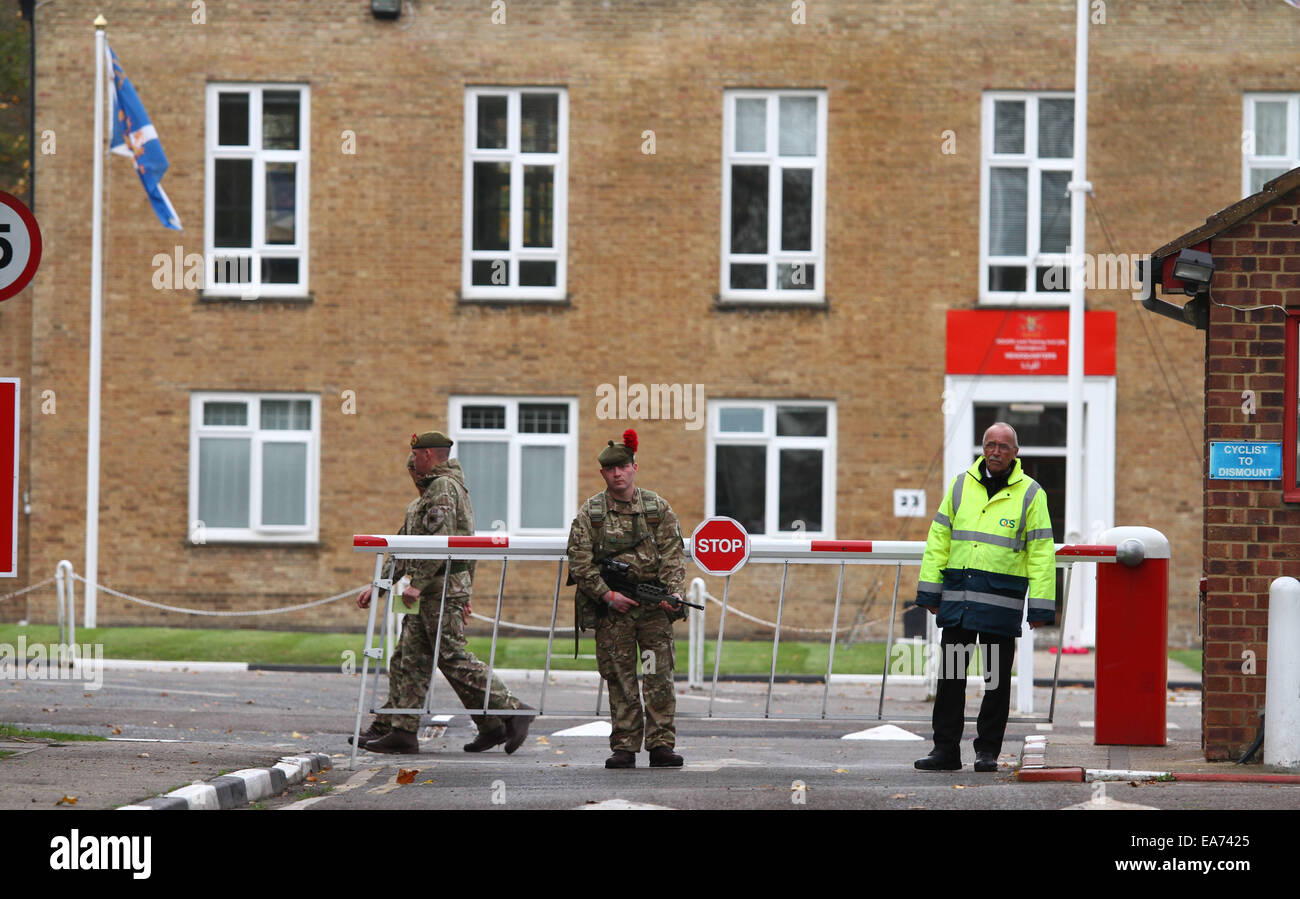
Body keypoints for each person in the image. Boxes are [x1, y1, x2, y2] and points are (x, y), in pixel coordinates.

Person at [356, 431, 532, 755]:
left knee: (451, 655)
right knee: (408, 659)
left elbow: (444, 543)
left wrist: (420, 584)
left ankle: (512, 709)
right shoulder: (424, 499)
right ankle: (403, 729)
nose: (414, 474)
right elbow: (402, 550)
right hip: (428, 592)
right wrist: (379, 586)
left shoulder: (443, 488)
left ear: (426, 457)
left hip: (438, 590)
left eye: (416, 463)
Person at [913, 422, 1055, 773]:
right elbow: (938, 540)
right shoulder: (961, 485)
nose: (995, 451)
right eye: (990, 444)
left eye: (1003, 446)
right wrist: (930, 590)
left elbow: (1041, 552)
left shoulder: (1032, 493)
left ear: (1015, 453)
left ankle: (987, 751)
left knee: (995, 682)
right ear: (982, 447)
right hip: (958, 601)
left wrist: (1040, 605)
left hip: (999, 604)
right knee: (950, 680)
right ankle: (945, 750)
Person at [566, 429, 688, 769]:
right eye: (611, 469)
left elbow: (674, 555)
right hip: (614, 611)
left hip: (652, 610)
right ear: (603, 473)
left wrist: (673, 593)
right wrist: (607, 594)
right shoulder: (592, 513)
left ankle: (661, 744)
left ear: (635, 467)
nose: (618, 474)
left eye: (623, 467)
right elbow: (579, 561)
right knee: (620, 678)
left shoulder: (656, 508)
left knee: (656, 675)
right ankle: (624, 746)